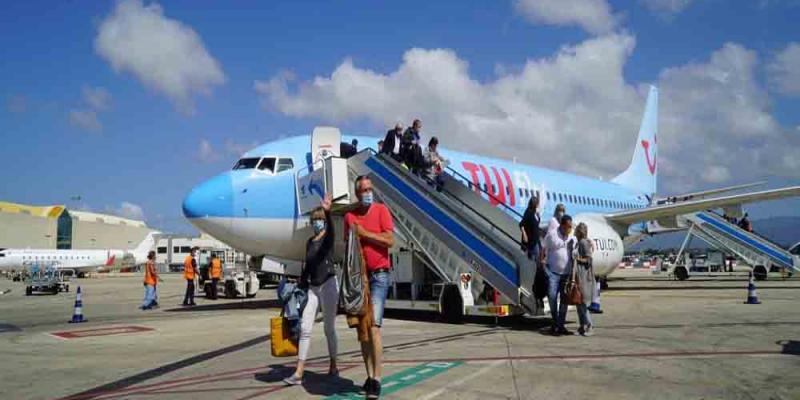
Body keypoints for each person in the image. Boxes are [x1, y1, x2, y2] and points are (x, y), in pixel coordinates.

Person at [344, 175, 394, 399]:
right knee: (363, 331)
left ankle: (377, 379)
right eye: (363, 190)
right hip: (359, 279)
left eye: (369, 189)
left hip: (380, 275)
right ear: (357, 194)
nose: (367, 193)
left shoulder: (382, 210)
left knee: (374, 327)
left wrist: (366, 235)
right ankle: (368, 375)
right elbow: (348, 249)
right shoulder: (350, 217)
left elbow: (389, 240)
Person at [284, 194, 339, 386]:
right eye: (315, 220)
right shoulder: (310, 242)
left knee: (328, 328)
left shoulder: (327, 239)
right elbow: (308, 266)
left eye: (320, 220)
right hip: (313, 288)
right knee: (306, 328)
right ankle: (299, 371)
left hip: (329, 285)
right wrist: (300, 283)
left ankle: (333, 364)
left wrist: (329, 212)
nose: (317, 223)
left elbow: (331, 231)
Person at [542, 214, 576, 335]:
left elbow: (575, 251)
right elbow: (543, 248)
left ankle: (560, 325)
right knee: (551, 296)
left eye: (571, 227)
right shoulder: (552, 235)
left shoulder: (571, 235)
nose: (570, 229)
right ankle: (555, 321)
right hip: (553, 273)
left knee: (564, 299)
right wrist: (543, 263)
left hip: (566, 273)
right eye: (568, 226)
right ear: (562, 225)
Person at [574, 222, 596, 336]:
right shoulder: (579, 243)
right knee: (578, 302)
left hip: (583, 276)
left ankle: (589, 325)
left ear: (579, 231)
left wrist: (578, 259)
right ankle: (582, 326)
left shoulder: (583, 243)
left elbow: (589, 259)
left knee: (582, 303)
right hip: (578, 275)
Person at [519, 196, 542, 262]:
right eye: (538, 203)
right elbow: (521, 224)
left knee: (536, 257)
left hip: (535, 240)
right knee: (532, 257)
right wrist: (524, 234)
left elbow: (537, 223)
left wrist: (538, 215)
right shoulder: (529, 212)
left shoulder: (535, 212)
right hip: (530, 240)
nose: (539, 205)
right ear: (535, 204)